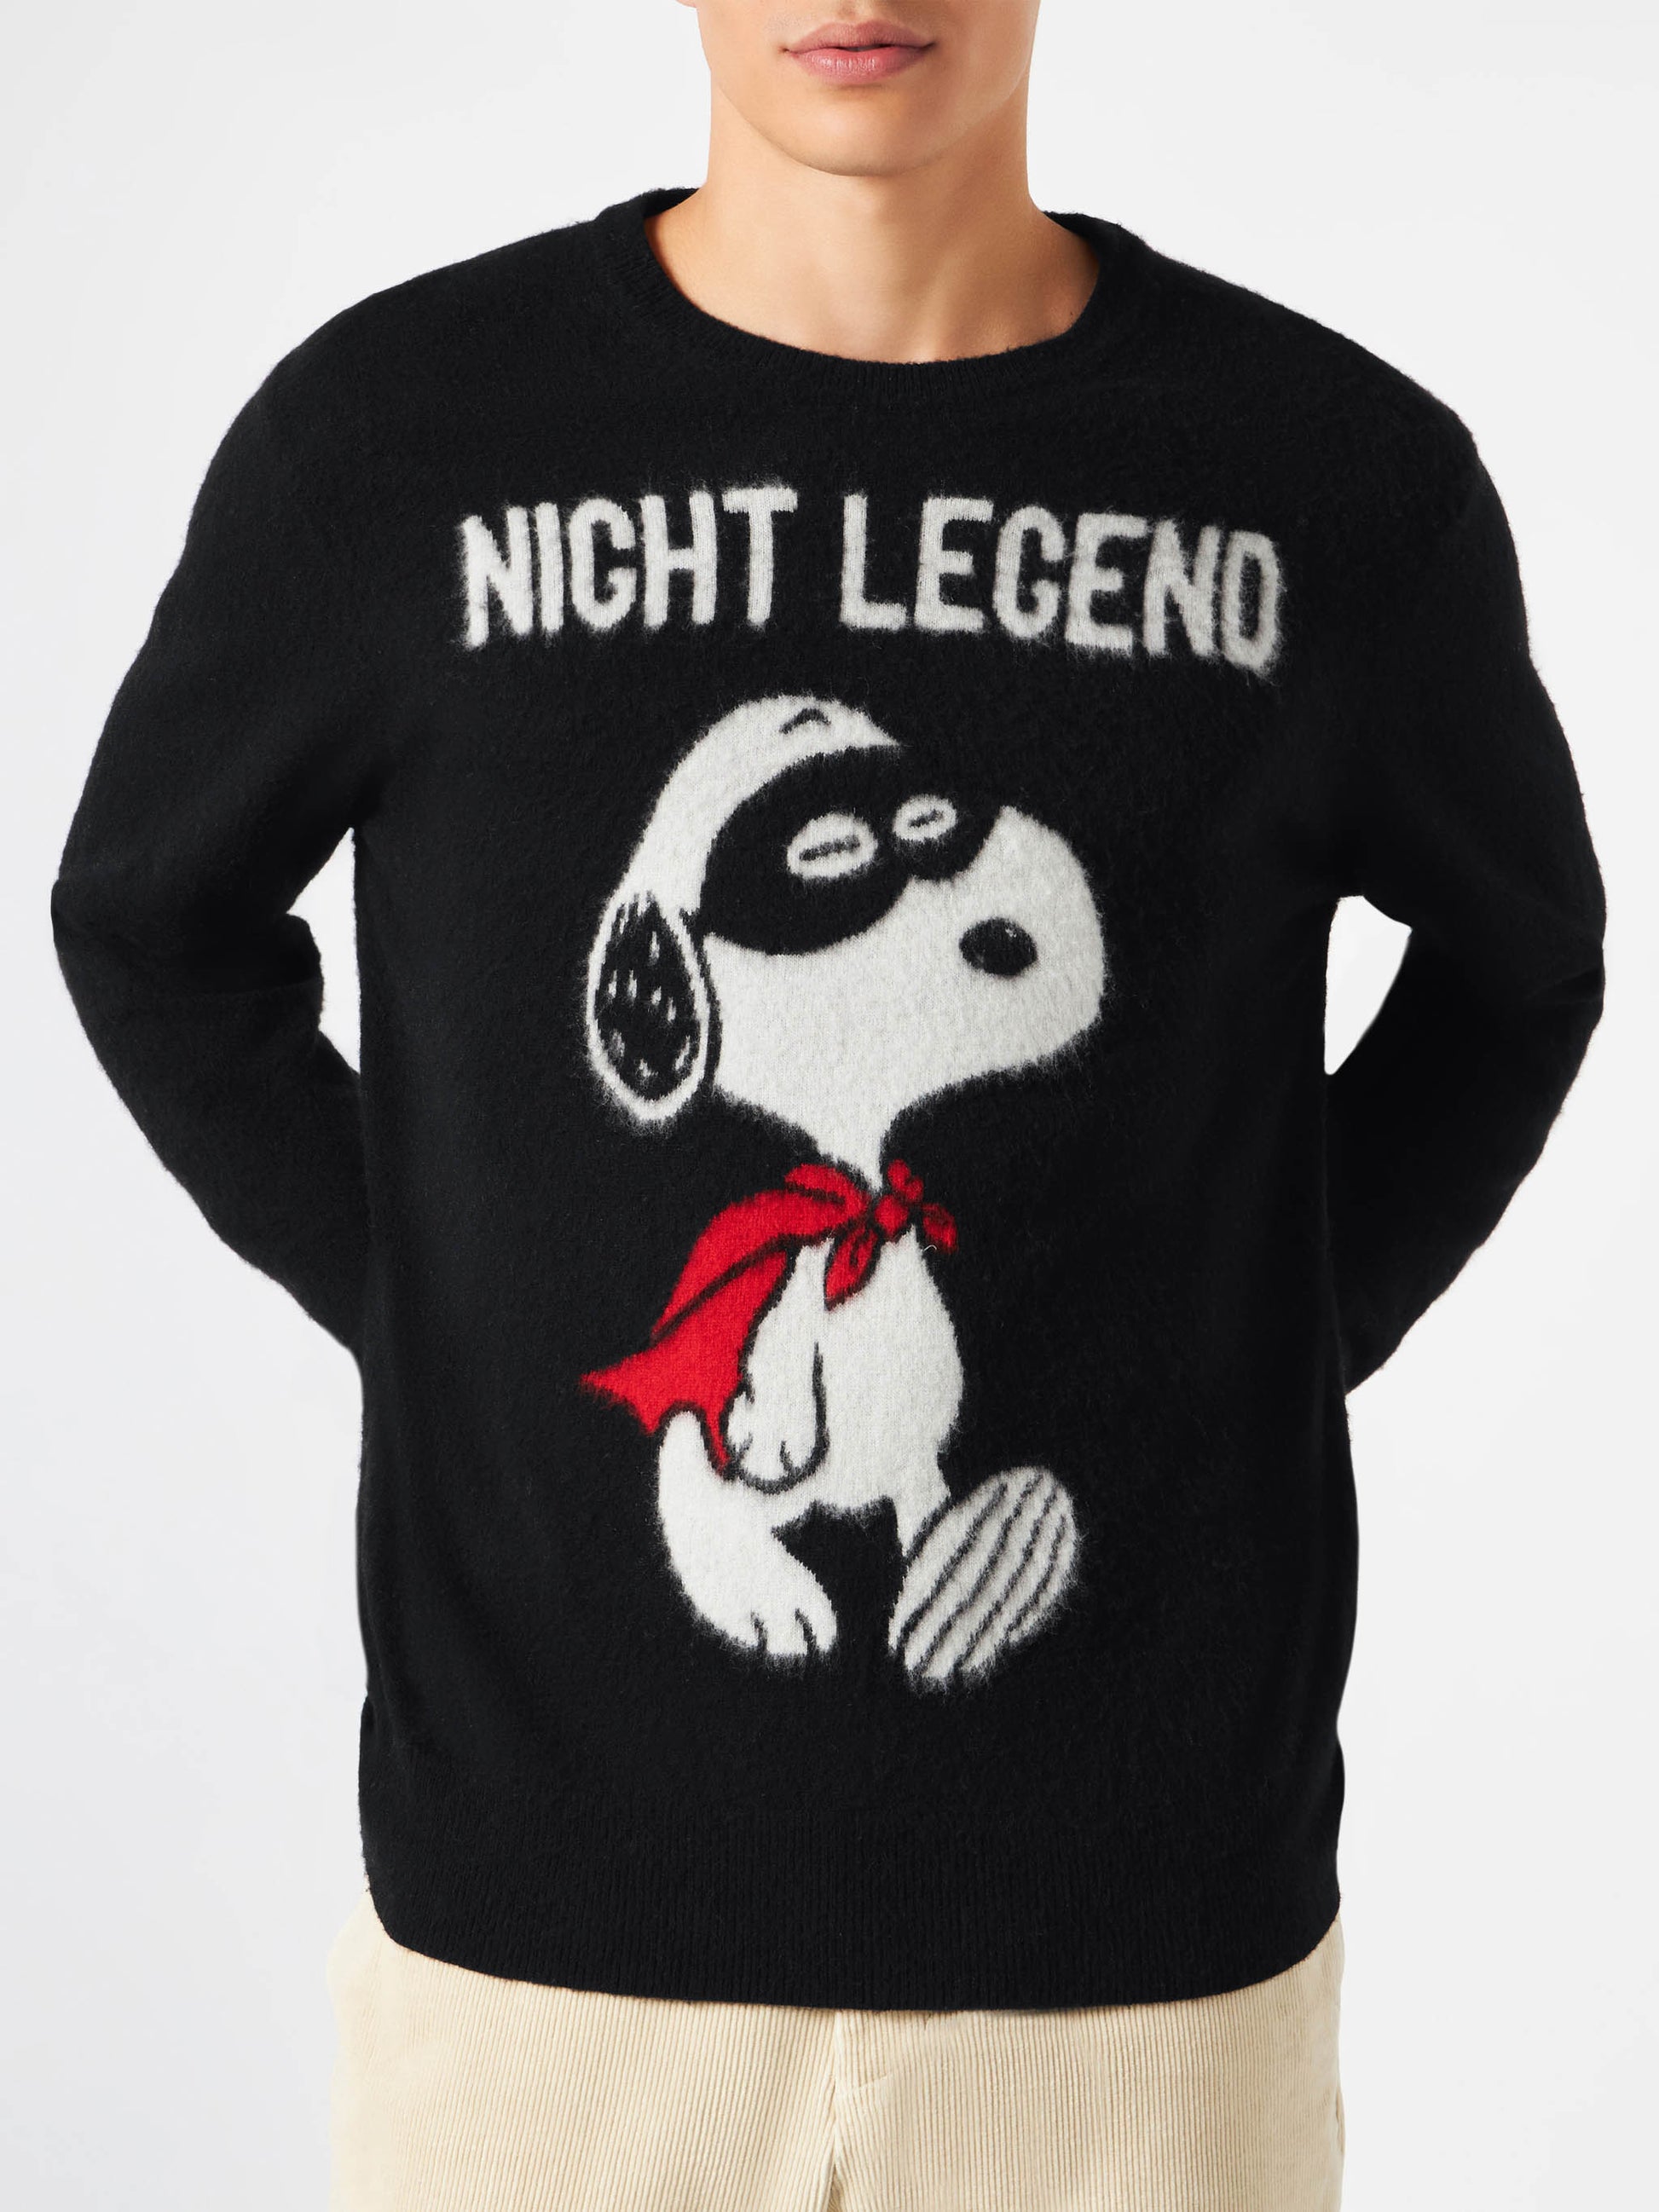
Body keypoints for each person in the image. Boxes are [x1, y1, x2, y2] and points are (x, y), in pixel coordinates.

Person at [50, 3, 1605, 2208]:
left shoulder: (1331, 482)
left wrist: (1265, 1332)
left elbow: (1520, 958)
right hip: (544, 1967)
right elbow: (150, 921)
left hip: (1139, 1964)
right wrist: (443, 1300)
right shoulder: (393, 444)